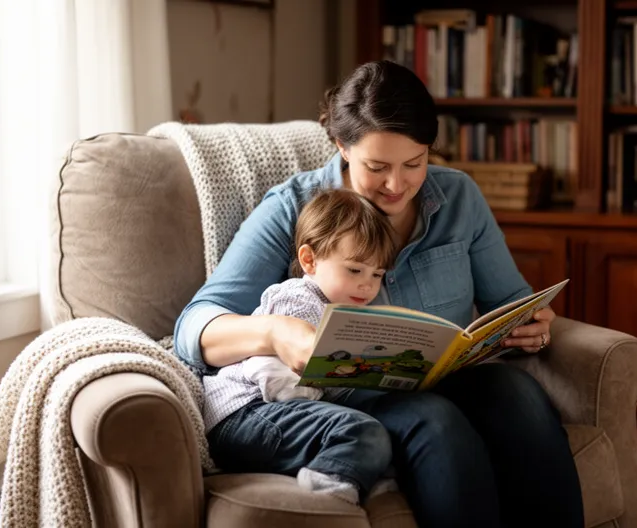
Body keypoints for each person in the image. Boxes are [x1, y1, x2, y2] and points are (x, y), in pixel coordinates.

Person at [173, 59, 584, 528]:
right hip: (343, 395)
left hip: (439, 375)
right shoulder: (295, 208)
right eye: (377, 167)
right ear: (342, 146)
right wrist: (275, 332)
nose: (396, 184)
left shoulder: (459, 199)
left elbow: (506, 303)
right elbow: (193, 326)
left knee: (518, 393)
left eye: (414, 163)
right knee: (435, 419)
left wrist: (530, 326)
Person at [201, 187, 400, 505]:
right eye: (354, 270)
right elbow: (268, 373)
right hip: (246, 413)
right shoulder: (296, 299)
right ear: (309, 260)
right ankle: (329, 492)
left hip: (272, 415)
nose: (367, 284)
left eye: (377, 274)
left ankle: (354, 471)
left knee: (377, 434)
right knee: (360, 430)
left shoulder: (343, 312)